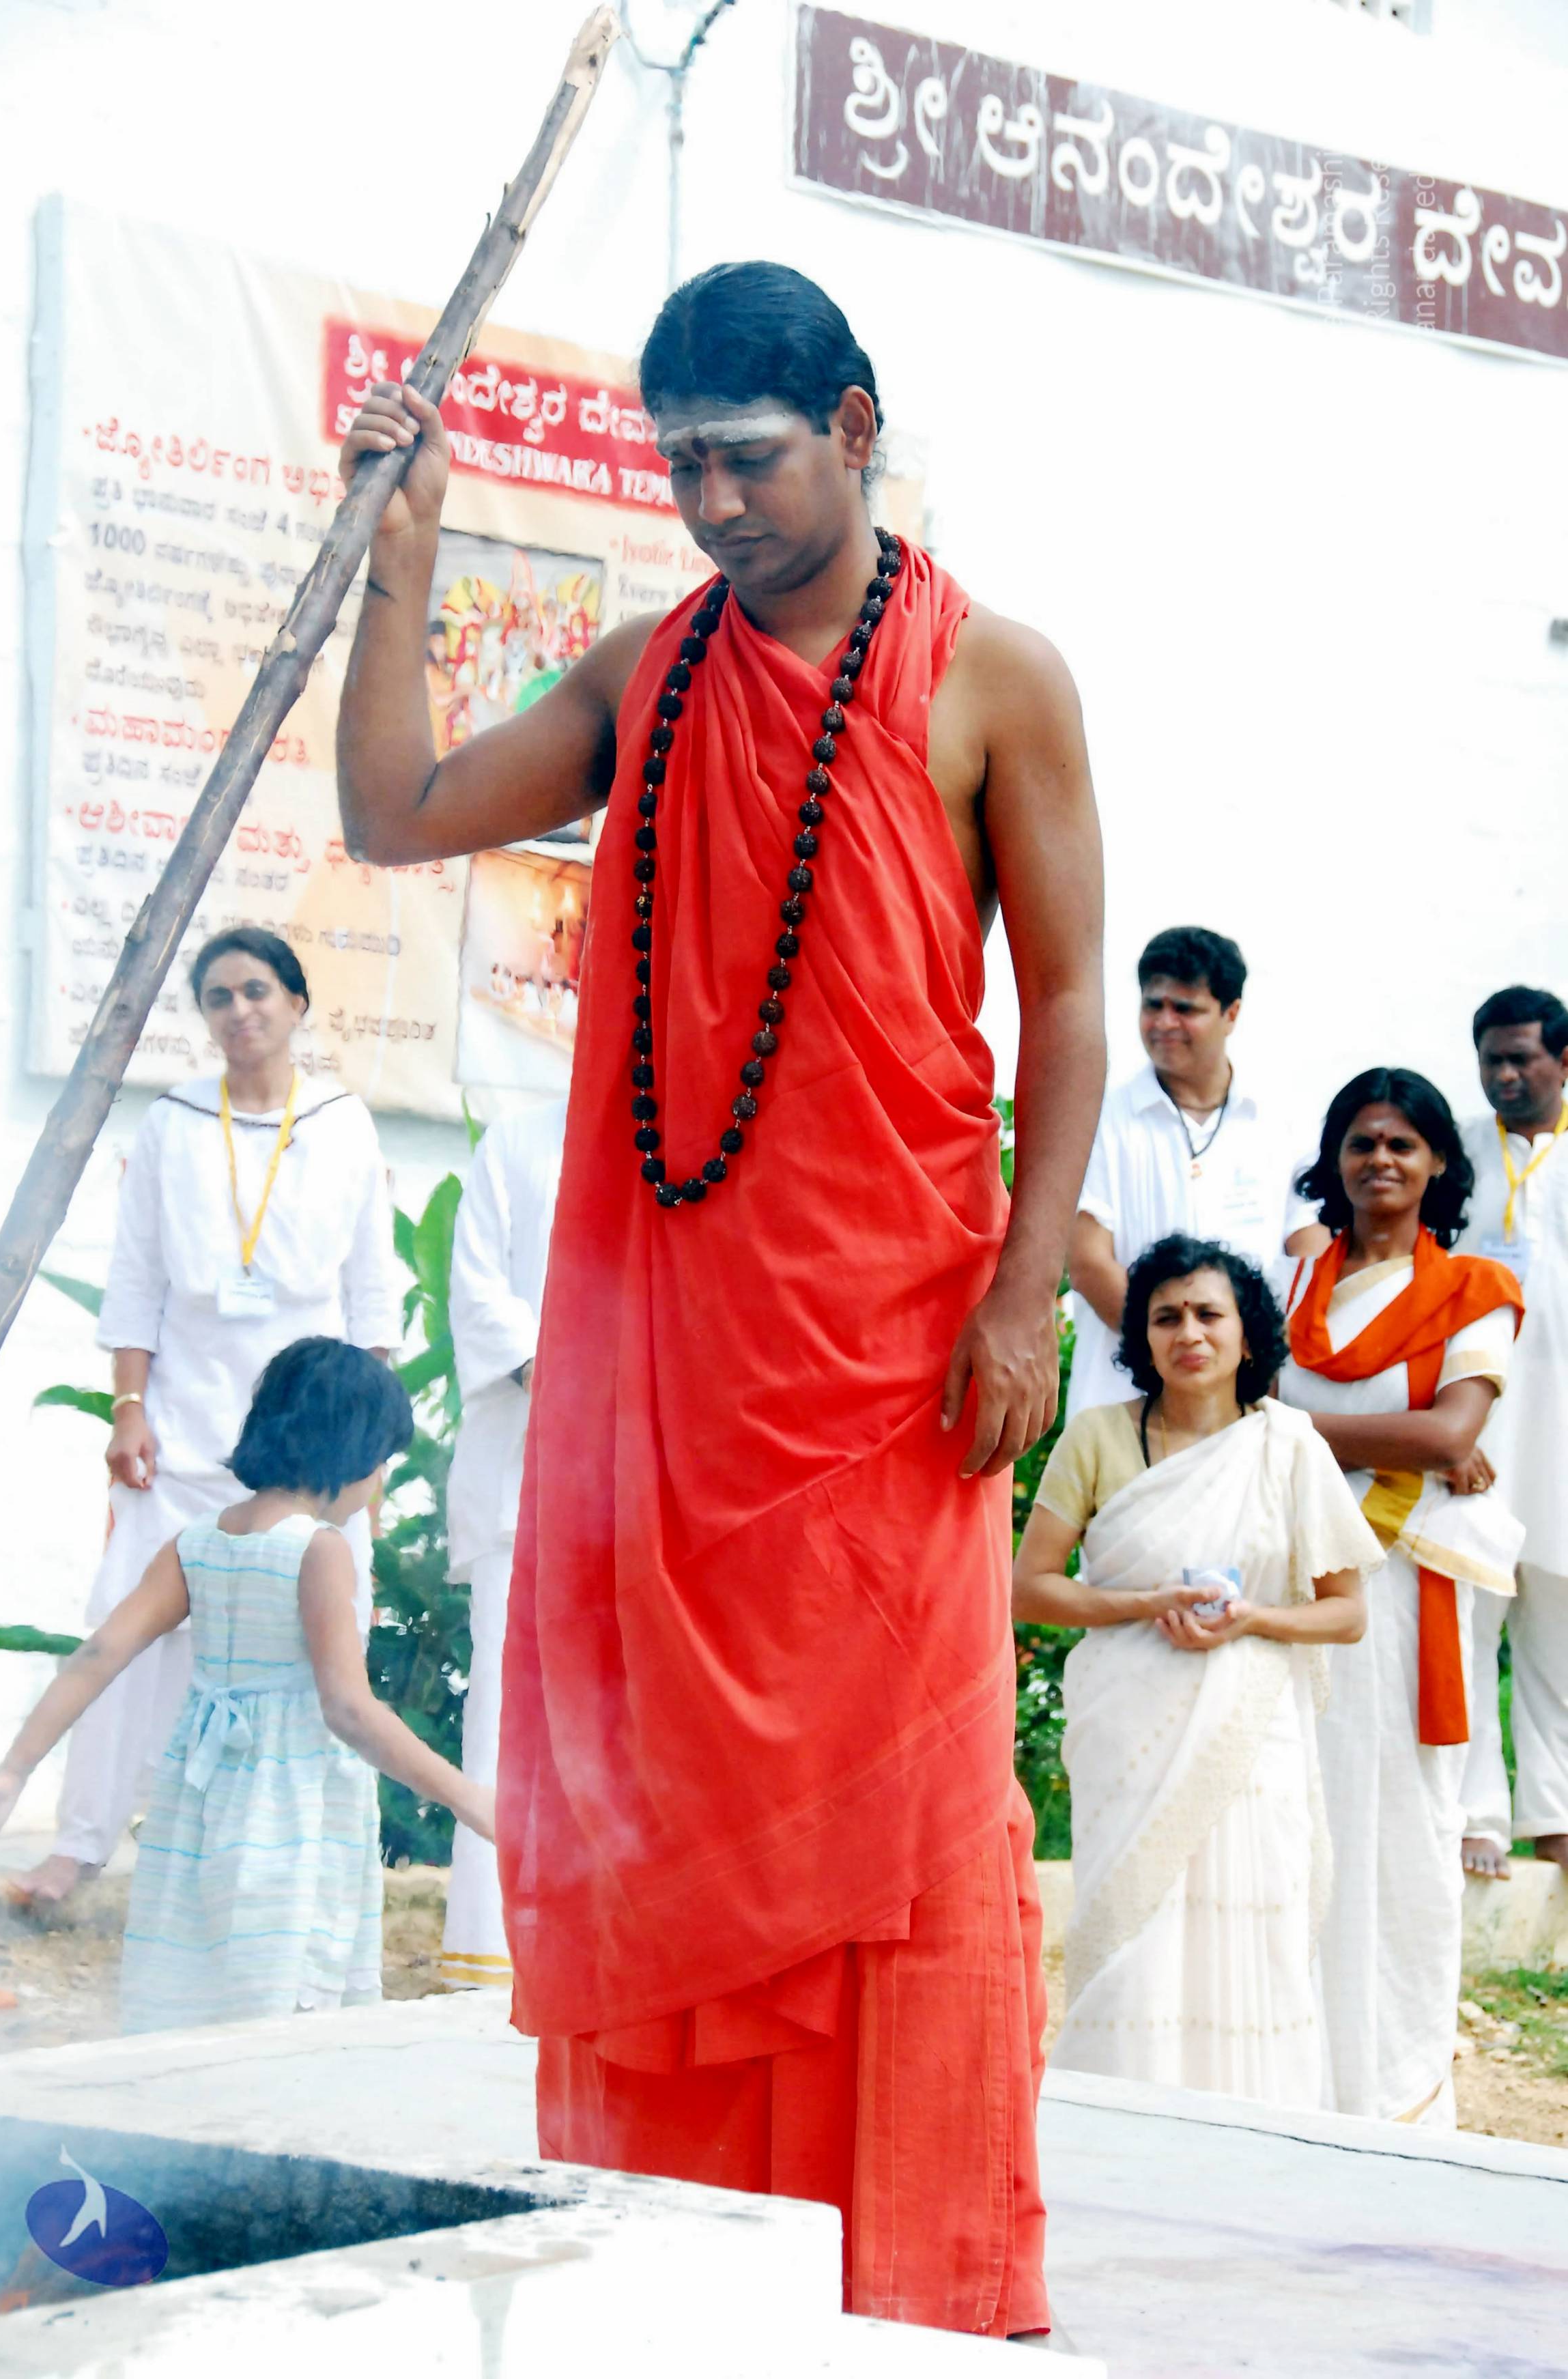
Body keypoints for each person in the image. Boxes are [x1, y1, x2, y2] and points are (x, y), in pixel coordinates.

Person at [334, 261, 1107, 2339]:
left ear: (854, 426)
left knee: (910, 1800)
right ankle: (676, 2289)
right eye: (679, 465)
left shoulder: (994, 676)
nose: (712, 504)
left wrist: (1022, 1300)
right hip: (671, 1375)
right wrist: (401, 557)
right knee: (674, 1801)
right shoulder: (646, 677)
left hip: (894, 1359)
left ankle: (914, 2291)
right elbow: (393, 813)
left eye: (747, 459)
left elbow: (1065, 1009)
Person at [11, 930, 402, 1913]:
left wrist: (373, 1455)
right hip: (182, 1431)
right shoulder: (175, 1121)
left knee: (323, 1640)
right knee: (124, 1625)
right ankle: (79, 1847)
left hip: (311, 1441)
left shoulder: (344, 1124)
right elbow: (137, 1276)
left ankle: (305, 1860)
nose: (240, 1011)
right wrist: (128, 1409)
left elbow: (372, 1293)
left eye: (257, 990)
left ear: (298, 1003)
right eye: (219, 996)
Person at [0, 1341, 494, 2033]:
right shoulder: (318, 1549)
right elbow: (348, 1706)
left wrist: (14, 1769)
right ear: (349, 1450)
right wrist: (467, 1796)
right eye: (380, 1462)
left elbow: (101, 1652)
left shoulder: (195, 1542)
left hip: (200, 1802)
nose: (378, 1481)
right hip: (288, 1809)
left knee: (192, 1990)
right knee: (281, 2000)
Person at [1015, 1236, 1378, 2107]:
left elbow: (1346, 1612)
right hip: (1127, 1726)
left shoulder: (1288, 1445)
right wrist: (1144, 1602)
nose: (1188, 1333)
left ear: (1247, 1334)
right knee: (1132, 1932)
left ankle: (1257, 2128)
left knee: (1252, 1924)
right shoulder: (1097, 1434)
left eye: (1208, 1314)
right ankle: (1122, 2124)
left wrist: (1252, 1618)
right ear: (1141, 1336)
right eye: (1165, 1316)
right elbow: (1029, 1586)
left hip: (1251, 1728)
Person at [1279, 1070, 1524, 2127]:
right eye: (1361, 1141)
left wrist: (1282, 1428)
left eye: (1402, 1144)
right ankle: (1298, 2079)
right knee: (1300, 1815)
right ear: (1335, 1158)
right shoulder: (1293, 1282)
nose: (1379, 1159)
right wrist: (1392, 1440)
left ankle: (1399, 2094)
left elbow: (1449, 1433)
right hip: (1296, 1582)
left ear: (1437, 1165)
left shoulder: (1475, 1288)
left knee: (1403, 1828)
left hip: (1405, 1589)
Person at [1066, 926, 1326, 1416]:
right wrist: (1178, 1359)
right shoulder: (1097, 1119)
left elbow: (1310, 1253)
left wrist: (1243, 1362)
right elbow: (1088, 1263)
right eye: (1153, 1005)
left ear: (1231, 1013)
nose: (1164, 1022)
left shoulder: (1284, 1121)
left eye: (1185, 1008)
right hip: (1121, 1401)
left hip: (1248, 1402)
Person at [440, 1094, 567, 1993]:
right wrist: (555, 1374)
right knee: (506, 1707)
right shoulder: (519, 1139)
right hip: (525, 1471)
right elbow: (477, 1287)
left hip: (648, 1479)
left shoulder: (689, 1136)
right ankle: (491, 1951)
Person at [1457, 986, 1568, 1880]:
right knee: (1465, 1622)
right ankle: (1476, 1819)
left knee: (1559, 1631)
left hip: (1561, 1430)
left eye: (1519, 1058)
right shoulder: (1453, 1153)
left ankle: (1556, 1817)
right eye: (1490, 1058)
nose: (1502, 1074)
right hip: (1475, 1433)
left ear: (1563, 1061)